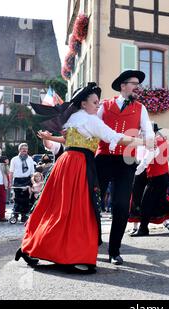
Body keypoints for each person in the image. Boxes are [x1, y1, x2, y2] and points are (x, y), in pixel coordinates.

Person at [17, 82, 145, 274]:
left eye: (98, 102)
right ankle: (72, 255)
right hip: (78, 165)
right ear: (84, 103)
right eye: (95, 102)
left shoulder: (74, 118)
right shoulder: (92, 120)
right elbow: (114, 137)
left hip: (65, 163)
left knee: (57, 208)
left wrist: (50, 138)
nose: (98, 105)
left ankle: (36, 247)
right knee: (77, 210)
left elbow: (69, 140)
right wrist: (141, 141)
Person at [94, 70, 155, 265]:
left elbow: (148, 133)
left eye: (139, 83)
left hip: (126, 162)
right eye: (134, 83)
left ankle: (114, 251)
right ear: (123, 85)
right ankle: (93, 239)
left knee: (121, 206)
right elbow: (93, 127)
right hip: (102, 159)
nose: (138, 87)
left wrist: (148, 143)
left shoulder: (141, 108)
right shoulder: (105, 106)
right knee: (93, 204)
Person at [130, 123, 169, 237]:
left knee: (145, 204)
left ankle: (143, 229)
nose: (143, 134)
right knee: (162, 202)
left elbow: (151, 155)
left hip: (157, 178)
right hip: (160, 177)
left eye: (144, 132)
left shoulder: (158, 141)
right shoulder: (160, 140)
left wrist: (140, 168)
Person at [9, 143, 36, 223]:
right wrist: (10, 182)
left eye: (26, 149)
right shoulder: (14, 159)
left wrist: (33, 183)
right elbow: (11, 172)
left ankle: (24, 216)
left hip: (27, 180)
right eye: (23, 148)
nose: (24, 150)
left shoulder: (30, 159)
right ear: (19, 150)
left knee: (26, 199)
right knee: (17, 199)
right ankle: (15, 215)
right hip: (17, 180)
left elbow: (32, 173)